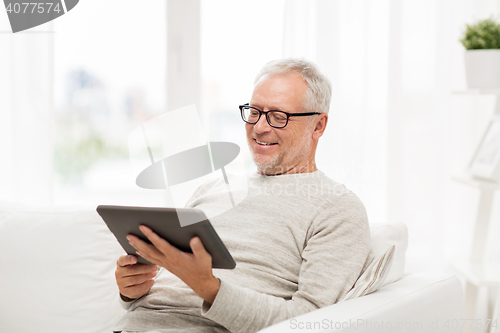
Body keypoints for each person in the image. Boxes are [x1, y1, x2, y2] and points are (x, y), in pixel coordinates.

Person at [113, 58, 372, 333]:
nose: (259, 127)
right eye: (254, 111)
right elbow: (163, 292)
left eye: (278, 116)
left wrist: (209, 288)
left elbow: (309, 321)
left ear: (318, 126)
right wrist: (132, 290)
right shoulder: (213, 189)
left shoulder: (337, 208)